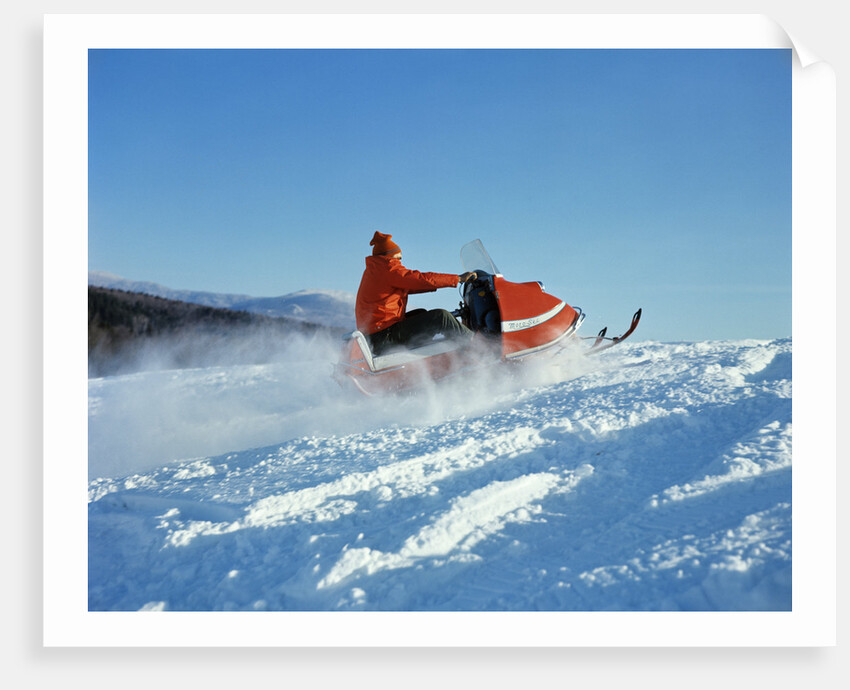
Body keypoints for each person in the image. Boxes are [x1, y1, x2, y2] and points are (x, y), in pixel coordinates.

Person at [355, 231, 477, 355]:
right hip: (384, 338)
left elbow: (411, 285)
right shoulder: (387, 269)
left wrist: (440, 284)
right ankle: (477, 347)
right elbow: (419, 279)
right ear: (389, 257)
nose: (400, 263)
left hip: (377, 336)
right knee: (441, 317)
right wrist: (457, 279)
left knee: (421, 314)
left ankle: (433, 358)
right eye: (398, 258)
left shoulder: (375, 271)